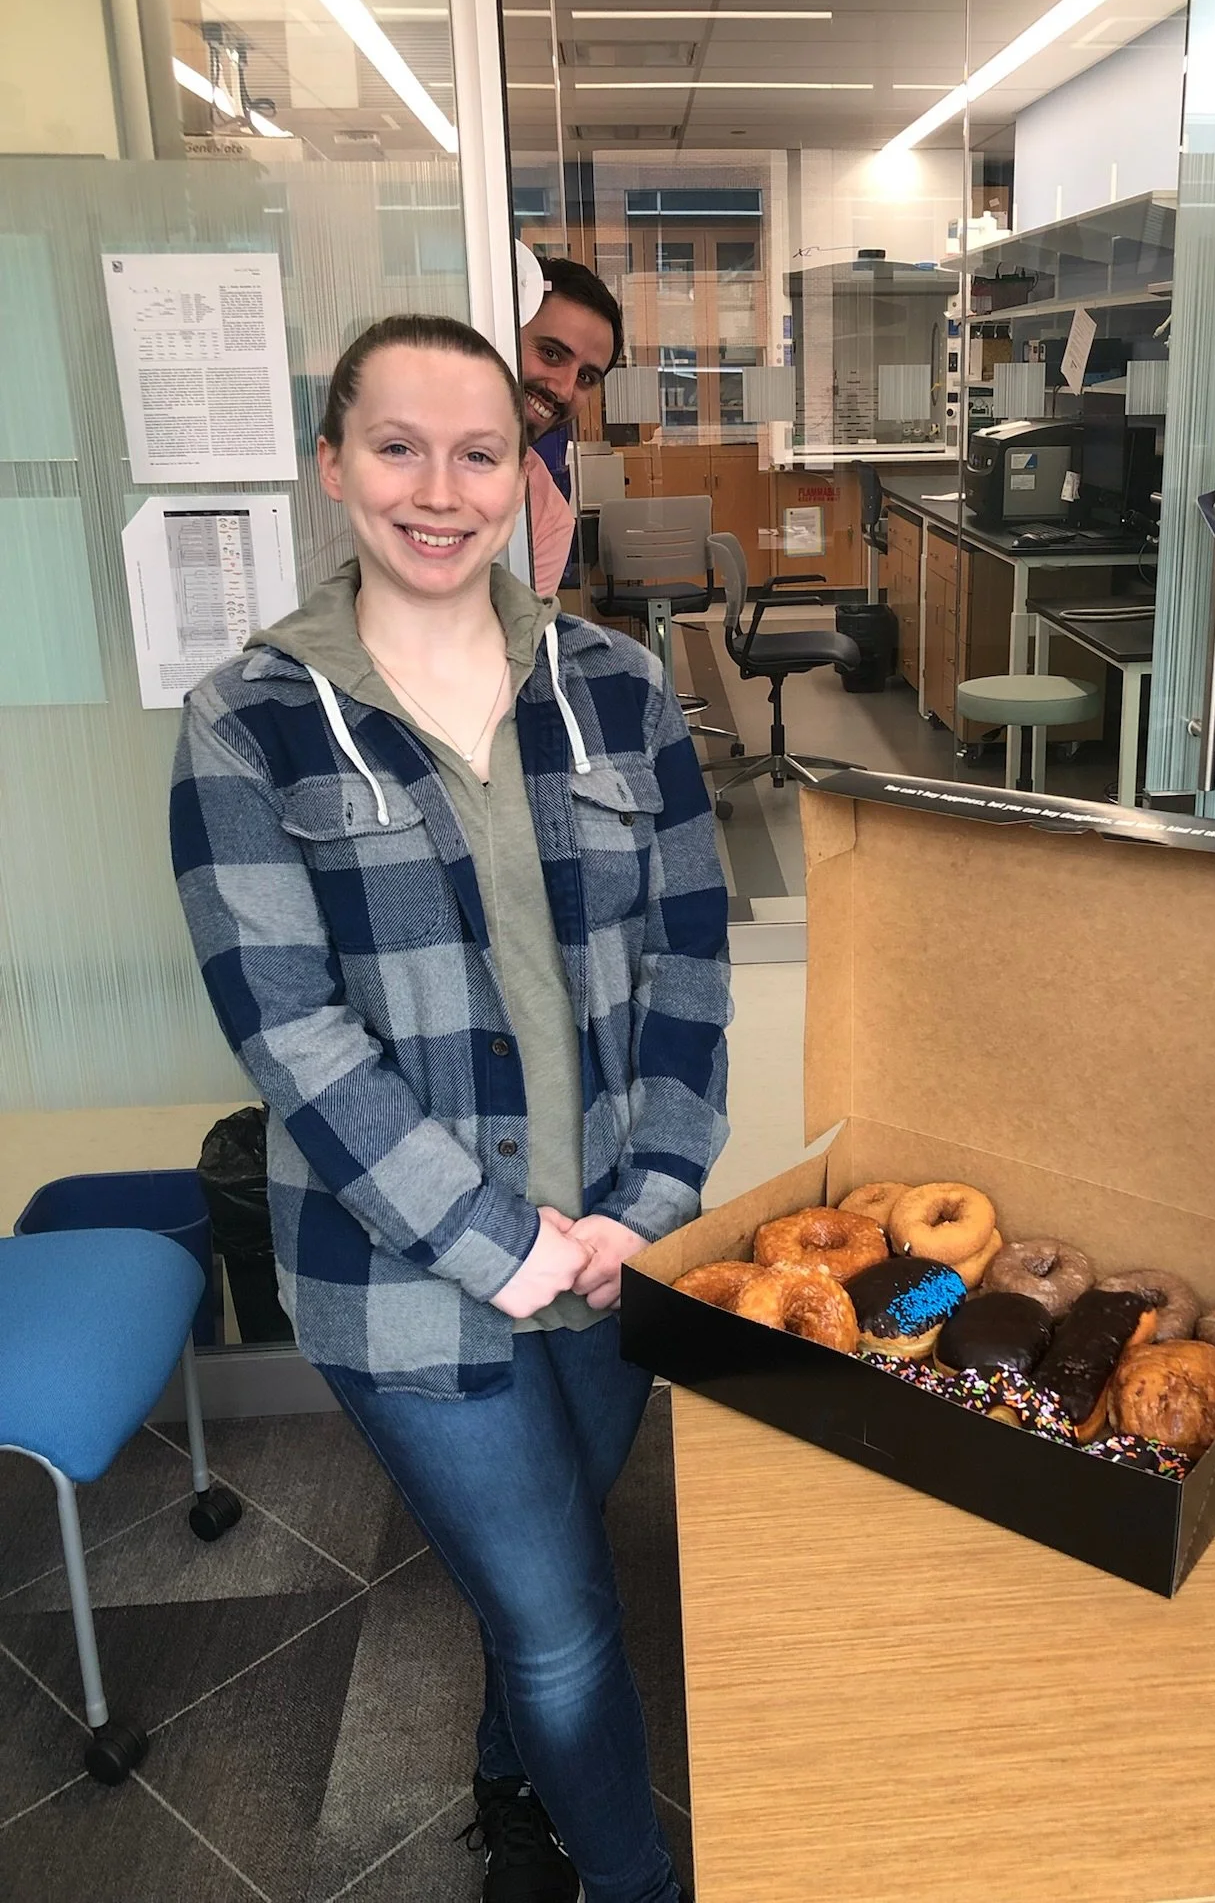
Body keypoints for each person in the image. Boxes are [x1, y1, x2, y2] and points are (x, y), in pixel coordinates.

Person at [170, 312, 729, 1903]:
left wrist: (653, 1197)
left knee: (524, 1576)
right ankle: (634, 1885)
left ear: (520, 473)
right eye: (397, 447)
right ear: (332, 465)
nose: (441, 488)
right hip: (408, 1286)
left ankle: (511, 1796)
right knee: (567, 1618)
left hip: (616, 1245)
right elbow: (293, 1037)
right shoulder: (248, 723)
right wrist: (505, 1246)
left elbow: (692, 956)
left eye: (478, 451)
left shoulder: (616, 689)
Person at [519, 256, 625, 594]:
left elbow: (516, 644)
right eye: (551, 354)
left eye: (585, 377)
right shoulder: (388, 446)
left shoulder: (548, 515)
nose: (563, 389)